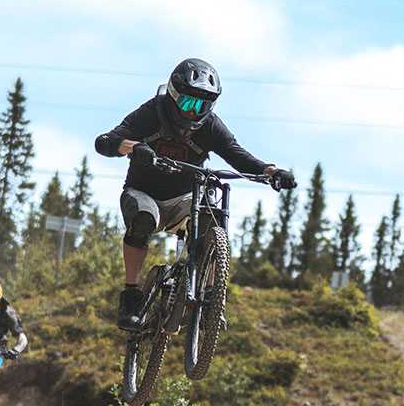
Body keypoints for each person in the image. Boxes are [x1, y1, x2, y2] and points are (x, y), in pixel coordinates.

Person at [94, 57, 296, 330]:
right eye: (188, 102)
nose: (193, 111)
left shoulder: (211, 126)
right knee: (142, 219)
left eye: (202, 104)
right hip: (143, 194)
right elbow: (107, 141)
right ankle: (131, 295)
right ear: (174, 96)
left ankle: (208, 298)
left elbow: (238, 155)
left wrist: (271, 172)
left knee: (211, 216)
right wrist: (134, 147)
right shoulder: (151, 113)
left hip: (183, 199)